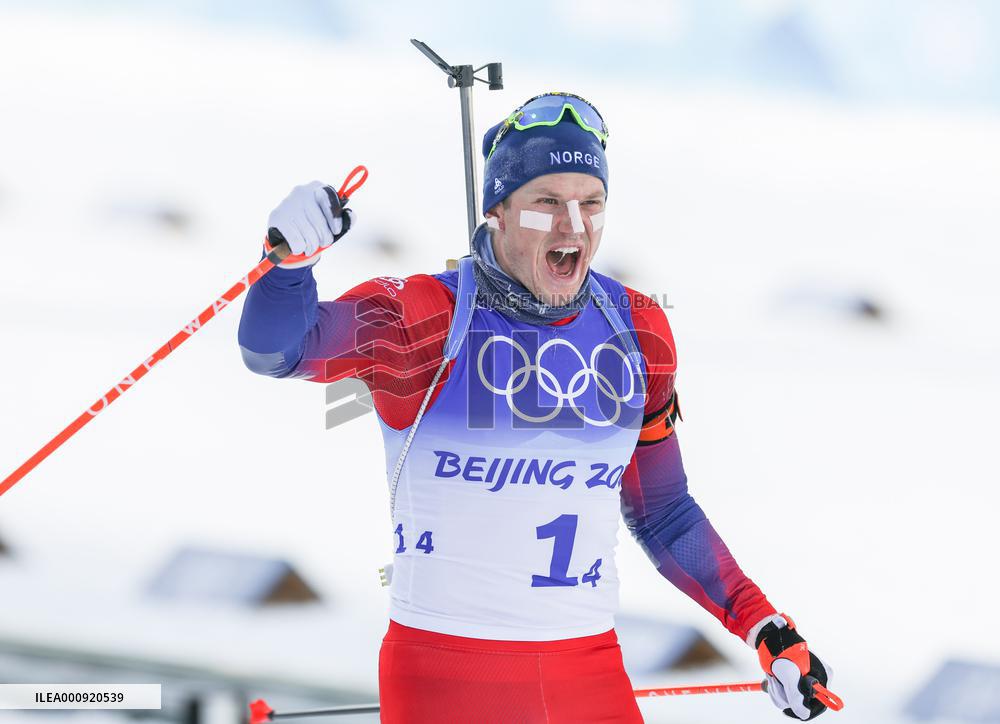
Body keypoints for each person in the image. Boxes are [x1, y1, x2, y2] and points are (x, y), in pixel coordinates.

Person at [238, 92, 833, 723]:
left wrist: (765, 628)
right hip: (445, 672)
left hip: (588, 672)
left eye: (591, 202)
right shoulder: (425, 317)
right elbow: (275, 350)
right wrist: (290, 265)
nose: (573, 225)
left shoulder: (637, 331)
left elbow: (664, 514)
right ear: (497, 210)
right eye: (547, 202)